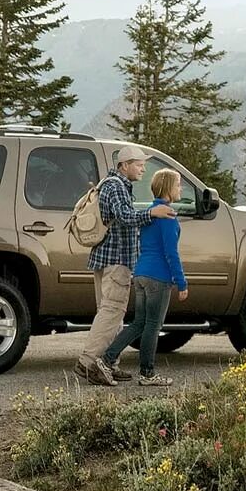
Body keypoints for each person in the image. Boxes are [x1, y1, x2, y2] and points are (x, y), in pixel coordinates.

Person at [75, 144, 177, 387]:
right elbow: (125, 217)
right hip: (116, 260)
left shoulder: (111, 185)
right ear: (124, 165)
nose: (143, 169)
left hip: (106, 258)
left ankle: (110, 365)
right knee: (112, 311)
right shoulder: (117, 187)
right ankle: (89, 363)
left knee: (111, 313)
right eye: (139, 165)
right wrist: (153, 214)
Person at [100, 169, 186, 387]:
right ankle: (147, 374)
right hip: (158, 277)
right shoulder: (167, 216)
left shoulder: (149, 212)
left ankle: (107, 359)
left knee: (139, 323)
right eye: (178, 184)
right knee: (153, 326)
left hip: (140, 274)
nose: (181, 188)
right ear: (168, 187)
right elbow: (171, 253)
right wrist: (181, 282)